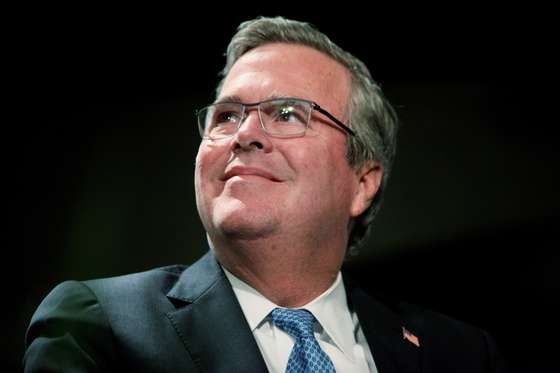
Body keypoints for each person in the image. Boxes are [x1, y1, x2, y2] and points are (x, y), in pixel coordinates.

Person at [24, 16, 506, 373]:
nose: (244, 134)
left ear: (363, 181)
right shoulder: (98, 327)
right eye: (226, 116)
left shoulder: (459, 354)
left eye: (287, 114)